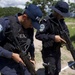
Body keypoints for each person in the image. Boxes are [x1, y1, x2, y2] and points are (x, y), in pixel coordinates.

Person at [0, 4, 42, 75]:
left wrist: (32, 57)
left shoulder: (29, 28)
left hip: (23, 64)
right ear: (25, 17)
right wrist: (11, 55)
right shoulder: (6, 23)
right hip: (8, 67)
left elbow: (30, 43)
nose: (32, 26)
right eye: (32, 23)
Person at [35, 1, 70, 75]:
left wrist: (64, 39)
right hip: (48, 52)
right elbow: (38, 35)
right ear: (56, 12)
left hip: (57, 51)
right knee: (50, 72)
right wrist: (53, 37)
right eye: (61, 15)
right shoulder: (46, 21)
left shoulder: (61, 21)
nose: (63, 17)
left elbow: (66, 32)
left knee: (57, 70)